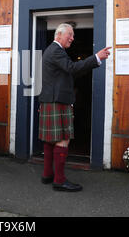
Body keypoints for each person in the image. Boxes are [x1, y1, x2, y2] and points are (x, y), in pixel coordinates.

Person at [38, 23, 111, 192]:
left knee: (50, 140)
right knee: (63, 139)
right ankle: (59, 180)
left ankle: (48, 174)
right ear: (59, 35)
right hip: (58, 101)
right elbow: (72, 68)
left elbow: (65, 74)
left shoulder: (52, 50)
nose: (72, 38)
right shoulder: (56, 50)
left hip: (51, 100)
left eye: (73, 35)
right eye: (69, 34)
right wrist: (96, 58)